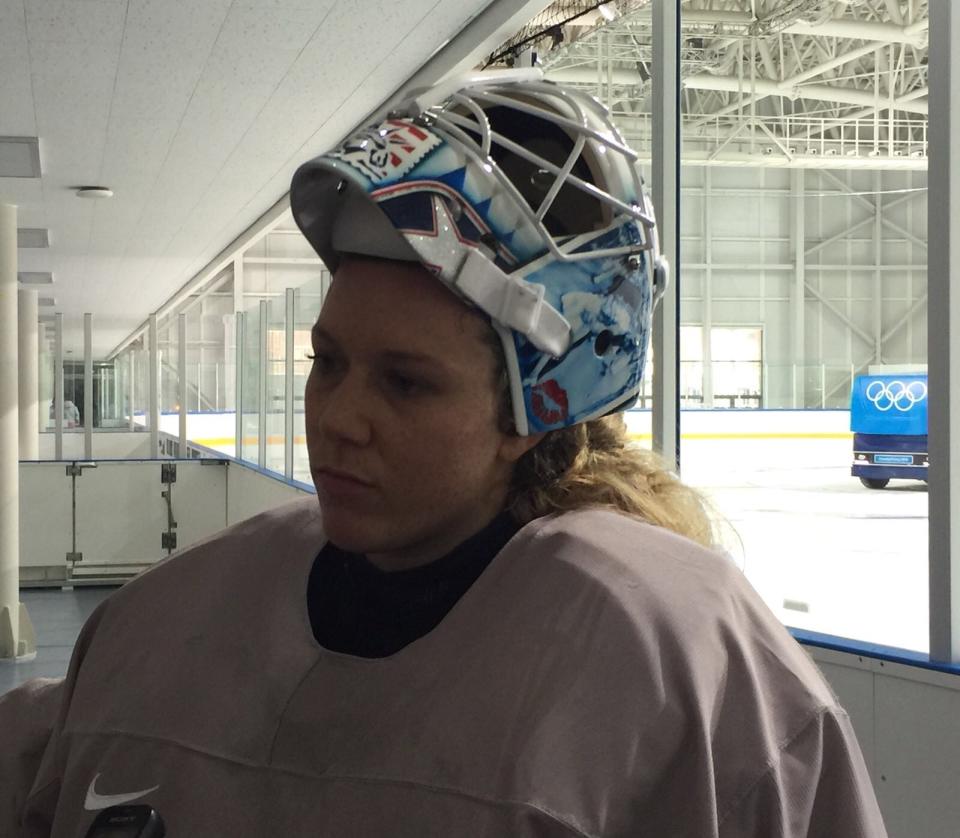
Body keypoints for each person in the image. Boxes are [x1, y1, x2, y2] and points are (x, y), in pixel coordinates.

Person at [0, 69, 886, 837]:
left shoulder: (676, 671)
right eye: (329, 363)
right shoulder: (172, 617)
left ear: (536, 407)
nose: (338, 419)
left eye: (405, 383)